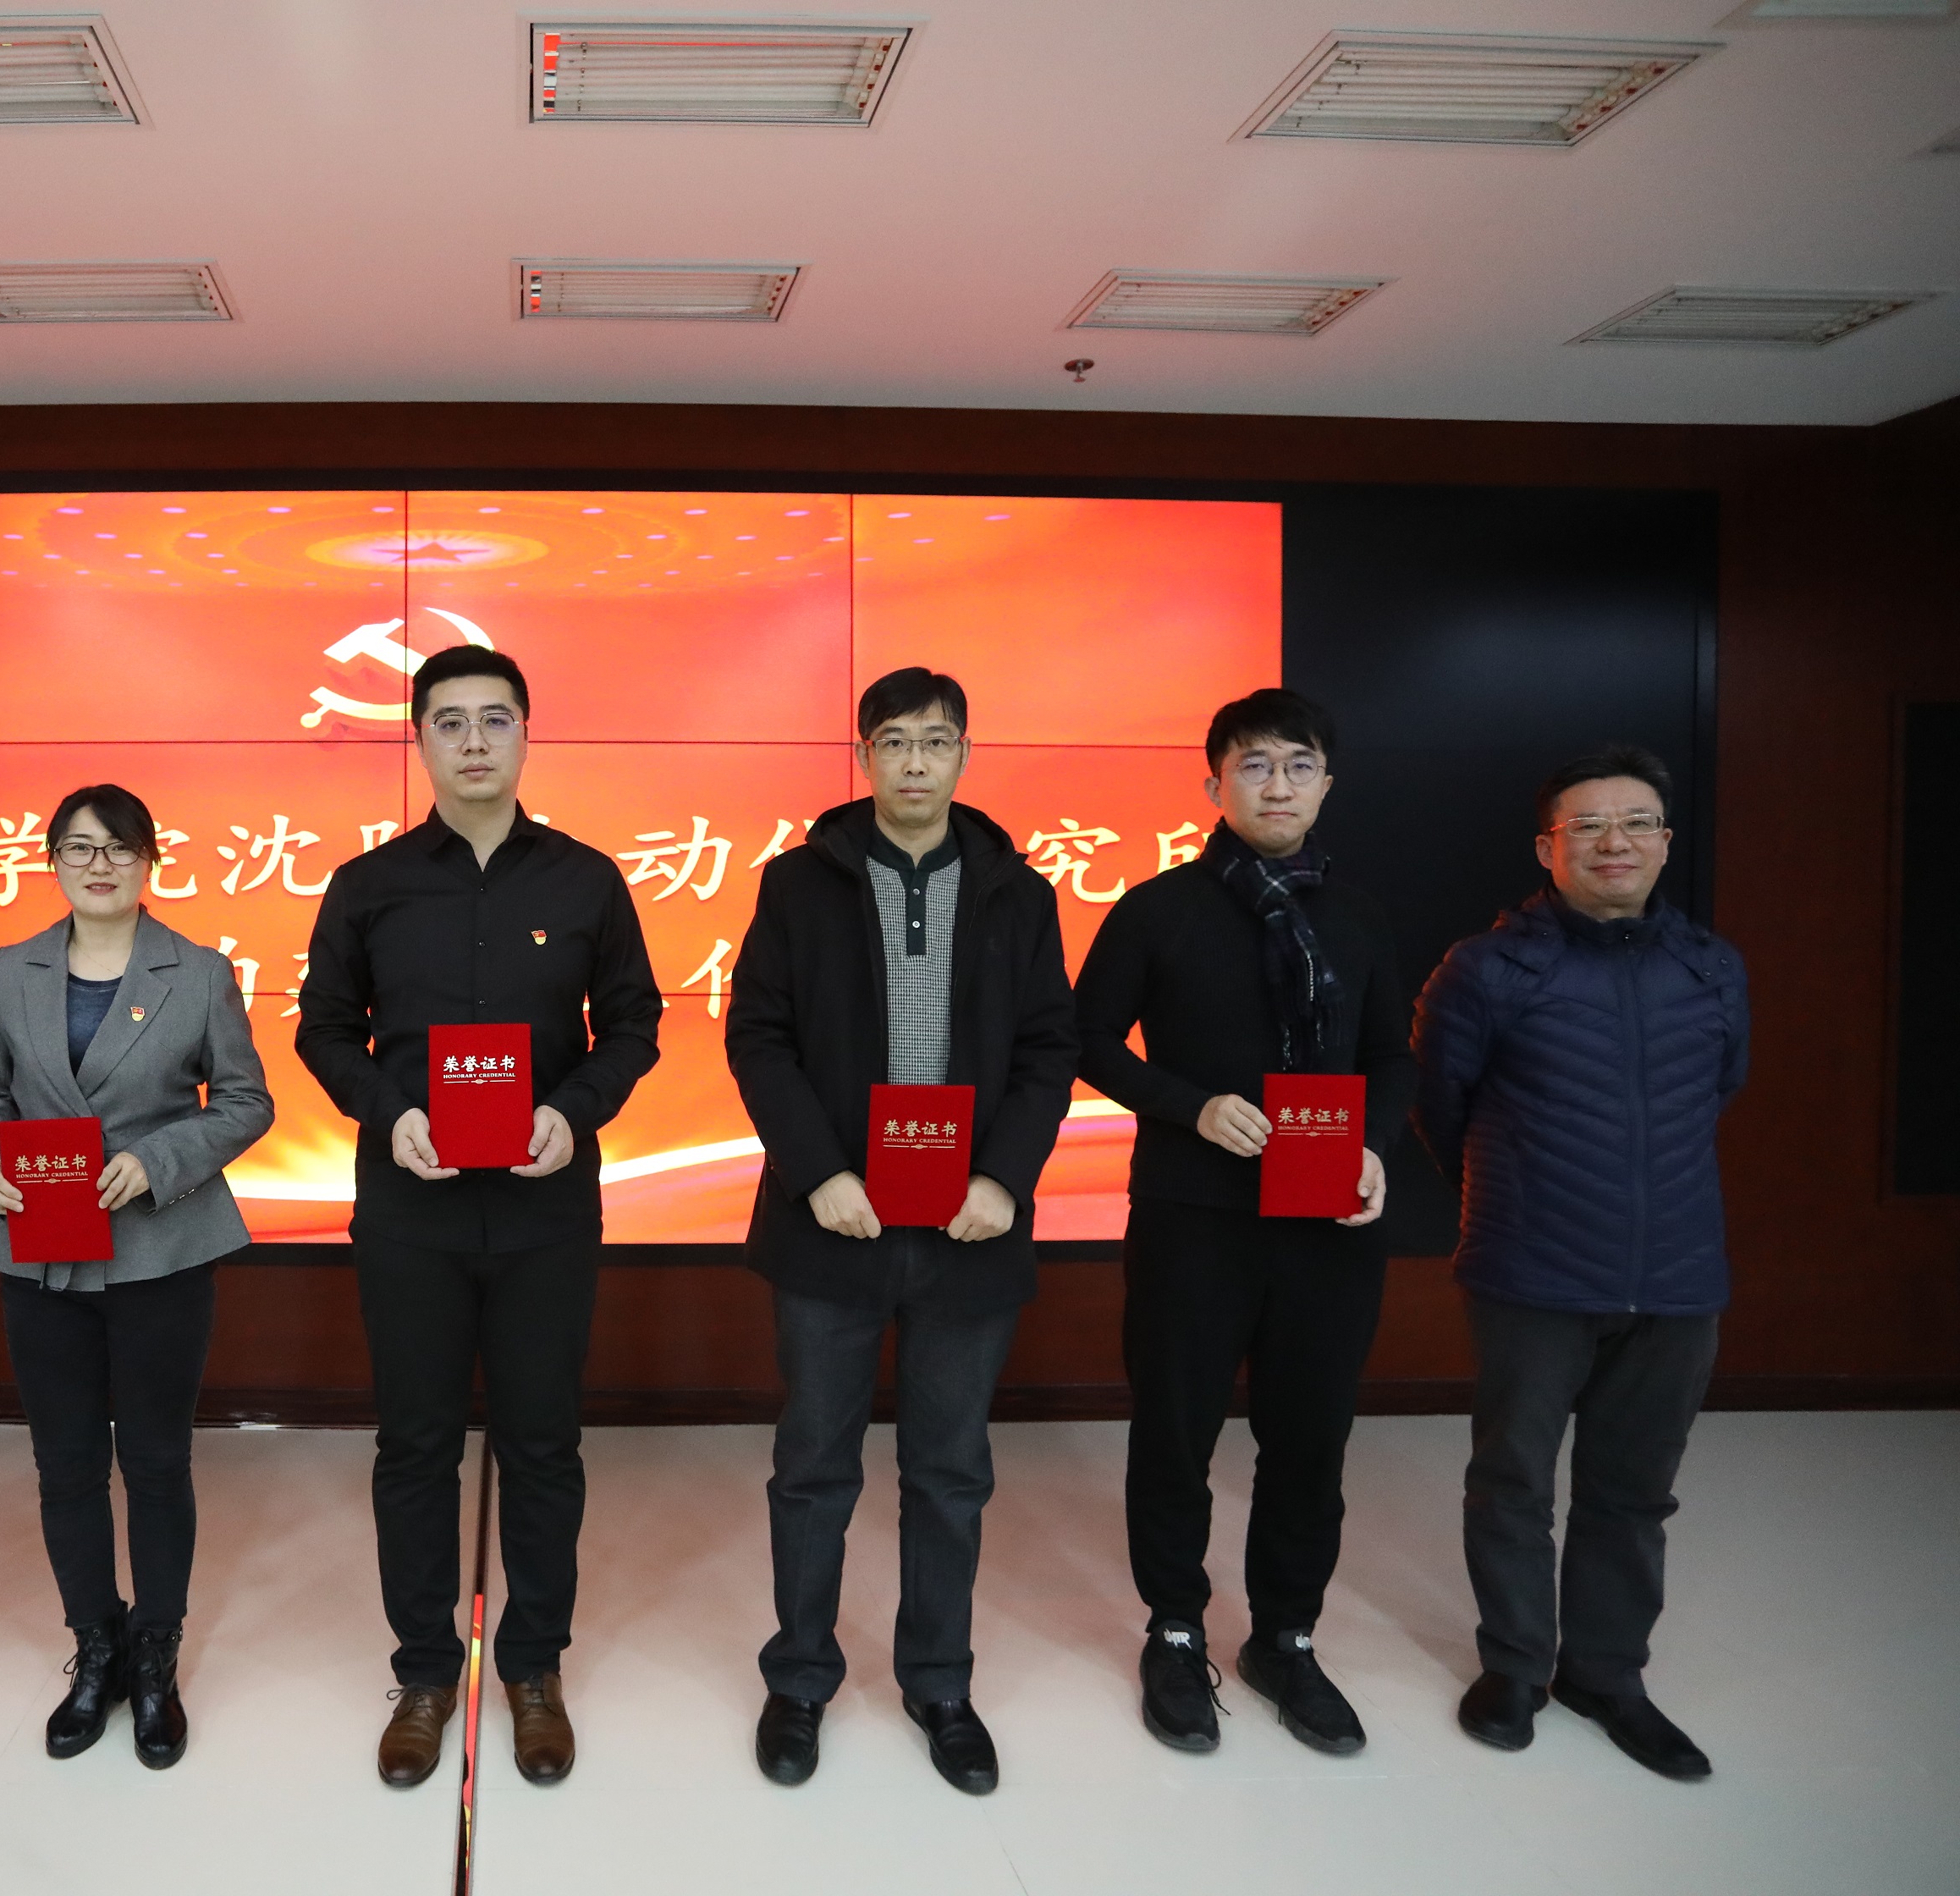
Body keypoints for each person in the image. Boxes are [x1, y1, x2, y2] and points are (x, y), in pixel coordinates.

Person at [295, 645, 663, 1790]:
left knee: (543, 1444)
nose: (472, 741)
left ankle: (533, 1668)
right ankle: (423, 1673)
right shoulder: (369, 884)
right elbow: (322, 1028)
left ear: (524, 734)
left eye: (493, 719)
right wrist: (389, 1111)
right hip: (412, 1212)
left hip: (547, 1209)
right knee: (414, 1445)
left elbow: (636, 1025)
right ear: (419, 739)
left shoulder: (587, 880)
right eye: (448, 721)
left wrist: (574, 1110)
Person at [726, 668, 1078, 1796]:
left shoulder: (1019, 891)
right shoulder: (799, 883)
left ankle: (939, 1682)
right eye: (894, 741)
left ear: (965, 754)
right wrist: (819, 1172)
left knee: (950, 1469)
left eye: (936, 741)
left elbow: (1049, 1049)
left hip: (971, 1224)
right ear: (863, 756)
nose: (915, 761)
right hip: (833, 1221)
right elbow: (758, 1036)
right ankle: (800, 1678)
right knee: (812, 1465)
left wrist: (1005, 1178)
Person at [1074, 687, 1412, 1757]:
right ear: (1213, 782)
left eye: (1299, 765)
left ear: (1327, 784)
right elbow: (1086, 1039)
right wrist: (1190, 1105)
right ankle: (1175, 1628)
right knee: (1176, 1429)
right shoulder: (1158, 907)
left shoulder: (1357, 913)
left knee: (1309, 1437)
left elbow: (1391, 1053)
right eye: (1255, 764)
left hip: (1328, 1218)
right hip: (1194, 1215)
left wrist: (1374, 1144)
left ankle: (1285, 1636)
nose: (1278, 785)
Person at [1413, 747, 1743, 1781]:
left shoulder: (1712, 967)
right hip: (1532, 1268)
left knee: (1634, 1491)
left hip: (1678, 1273)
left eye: (1636, 822)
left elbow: (1720, 1088)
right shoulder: (1487, 968)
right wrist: (1522, 1192)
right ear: (1546, 847)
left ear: (1665, 843)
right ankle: (1515, 1667)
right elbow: (1441, 1107)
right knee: (1513, 1480)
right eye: (1588, 824)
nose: (1614, 841)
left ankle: (1606, 1673)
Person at [0, 783, 274, 1771]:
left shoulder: (199, 971)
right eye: (80, 847)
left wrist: (160, 1159)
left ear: (149, 861)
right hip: (37, 1246)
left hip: (157, 1250)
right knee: (64, 1464)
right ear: (51, 858)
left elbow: (246, 1100)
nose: (99, 866)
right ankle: (94, 1646)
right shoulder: (13, 966)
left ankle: (155, 1654)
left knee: (155, 1459)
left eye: (120, 849)